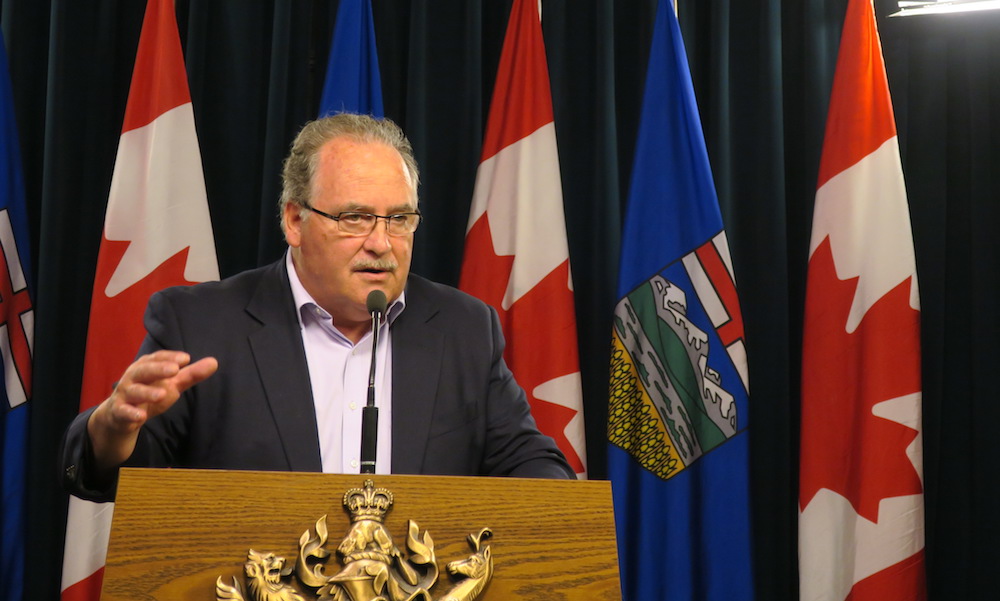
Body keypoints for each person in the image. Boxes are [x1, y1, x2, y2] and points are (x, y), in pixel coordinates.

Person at [61, 114, 574, 502]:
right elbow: (110, 477)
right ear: (294, 220)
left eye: (399, 219)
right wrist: (113, 429)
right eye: (355, 218)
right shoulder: (202, 324)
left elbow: (527, 460)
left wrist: (554, 507)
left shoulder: (463, 328)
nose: (381, 243)